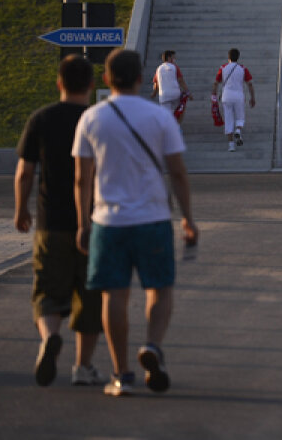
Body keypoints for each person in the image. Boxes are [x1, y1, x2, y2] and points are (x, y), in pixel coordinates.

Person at [73, 48, 198, 397]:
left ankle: (121, 375)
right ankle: (153, 346)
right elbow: (177, 172)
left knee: (114, 294)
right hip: (153, 218)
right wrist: (188, 218)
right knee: (159, 287)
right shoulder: (160, 119)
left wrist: (83, 223)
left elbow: (82, 178)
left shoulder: (91, 119)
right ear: (143, 79)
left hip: (107, 221)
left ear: (107, 79)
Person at [14, 55, 105, 388]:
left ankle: (49, 337)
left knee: (48, 290)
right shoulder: (98, 120)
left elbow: (25, 171)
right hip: (95, 223)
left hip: (51, 222)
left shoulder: (41, 118)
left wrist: (21, 209)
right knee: (91, 296)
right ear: (92, 85)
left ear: (58, 83)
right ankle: (83, 367)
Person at [212, 48, 255, 152]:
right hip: (238, 96)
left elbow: (216, 83)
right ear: (238, 57)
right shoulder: (243, 68)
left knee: (228, 120)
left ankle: (231, 145)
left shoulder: (222, 68)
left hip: (226, 97)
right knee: (240, 118)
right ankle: (238, 131)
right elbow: (250, 84)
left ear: (228, 57)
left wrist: (213, 95)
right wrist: (252, 97)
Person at [151, 50, 191, 117]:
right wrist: (188, 93)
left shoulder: (159, 69)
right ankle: (176, 125)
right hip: (175, 95)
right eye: (174, 57)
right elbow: (181, 81)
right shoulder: (175, 67)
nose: (175, 59)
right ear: (169, 58)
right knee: (179, 112)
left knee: (166, 116)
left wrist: (154, 94)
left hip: (164, 96)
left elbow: (156, 85)